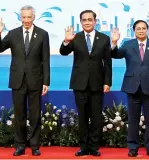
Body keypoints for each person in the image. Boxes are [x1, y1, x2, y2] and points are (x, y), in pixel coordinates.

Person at [0, 5, 50, 156]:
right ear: (20, 18)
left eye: (29, 17)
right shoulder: (12, 34)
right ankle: (20, 145)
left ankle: (35, 146)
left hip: (36, 80)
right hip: (17, 80)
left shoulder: (43, 34)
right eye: (23, 17)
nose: (26, 20)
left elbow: (46, 59)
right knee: (19, 115)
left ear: (34, 17)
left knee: (35, 115)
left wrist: (46, 81)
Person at [59, 10, 112, 157]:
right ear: (81, 22)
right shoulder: (75, 37)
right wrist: (66, 41)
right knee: (82, 117)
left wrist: (107, 82)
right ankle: (83, 147)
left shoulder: (104, 38)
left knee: (96, 117)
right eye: (84, 20)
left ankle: (94, 147)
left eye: (90, 19)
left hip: (97, 83)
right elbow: (63, 52)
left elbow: (107, 63)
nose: (87, 22)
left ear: (95, 21)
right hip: (79, 83)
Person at [110, 20, 149, 157]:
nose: (141, 30)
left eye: (144, 28)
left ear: (148, 30)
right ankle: (133, 147)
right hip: (132, 87)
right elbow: (115, 54)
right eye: (138, 28)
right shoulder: (127, 45)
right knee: (133, 120)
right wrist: (114, 42)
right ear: (134, 31)